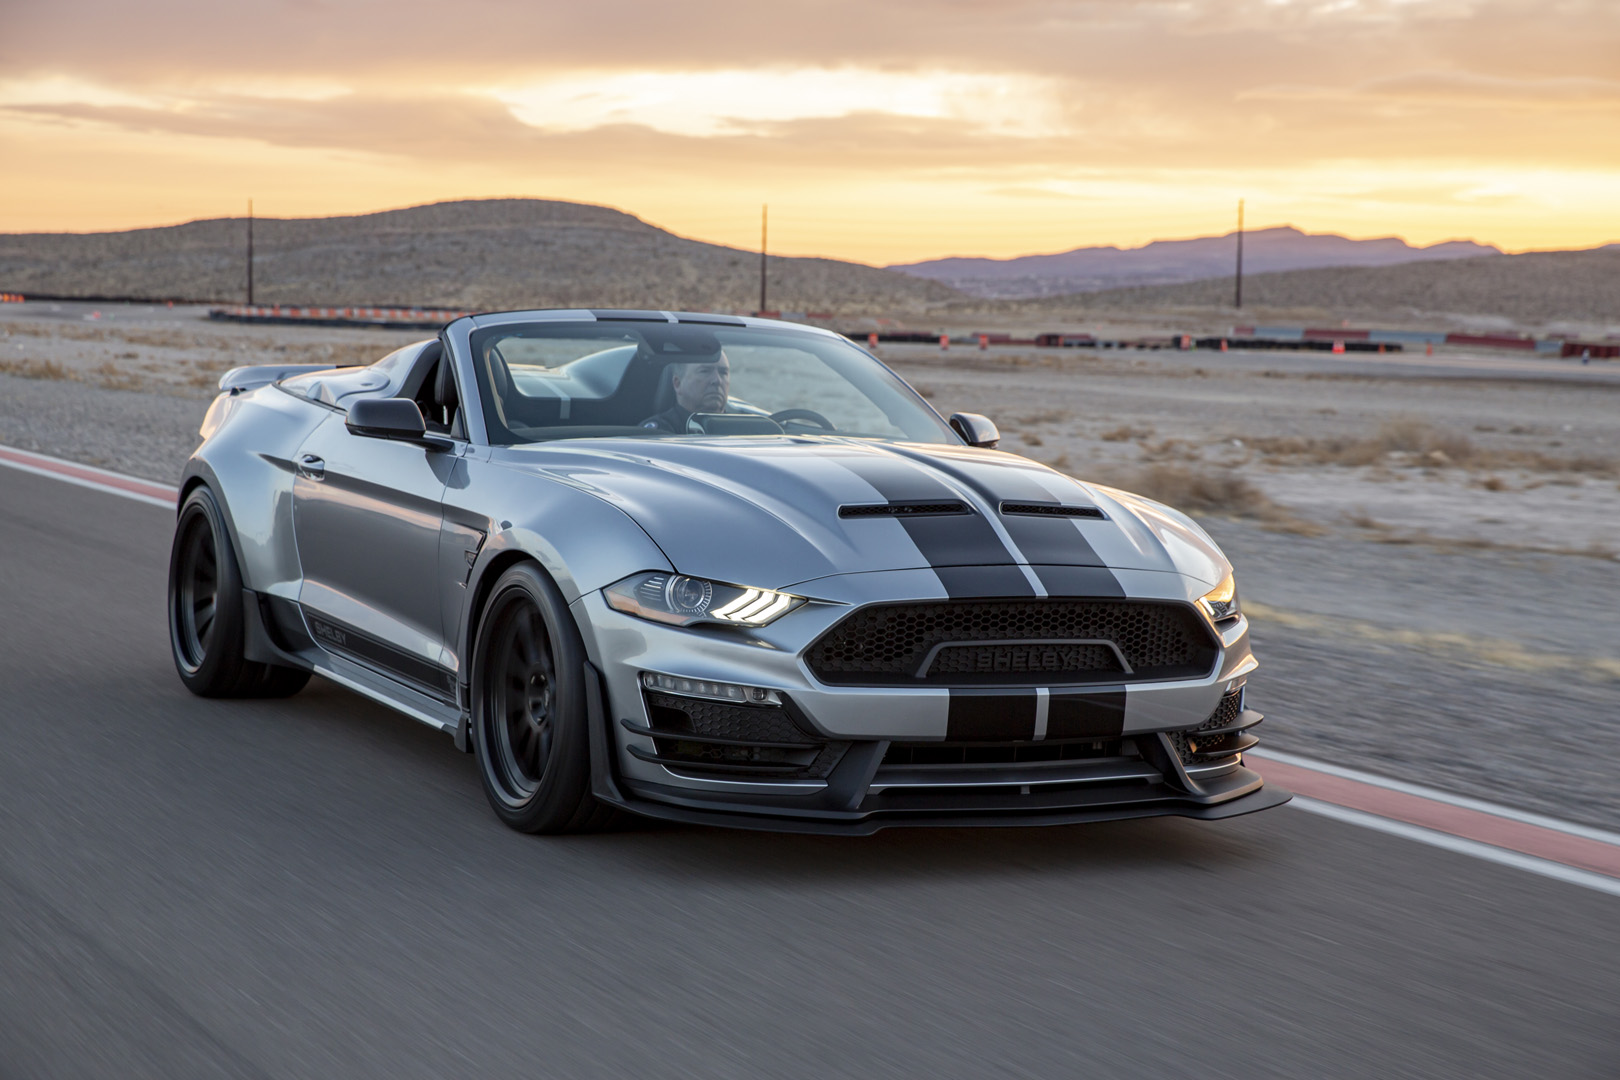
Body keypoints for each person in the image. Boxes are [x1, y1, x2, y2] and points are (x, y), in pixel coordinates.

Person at [639, 351, 732, 432]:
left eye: (723, 373)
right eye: (705, 371)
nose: (717, 380)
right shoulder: (659, 433)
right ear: (677, 384)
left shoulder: (738, 426)